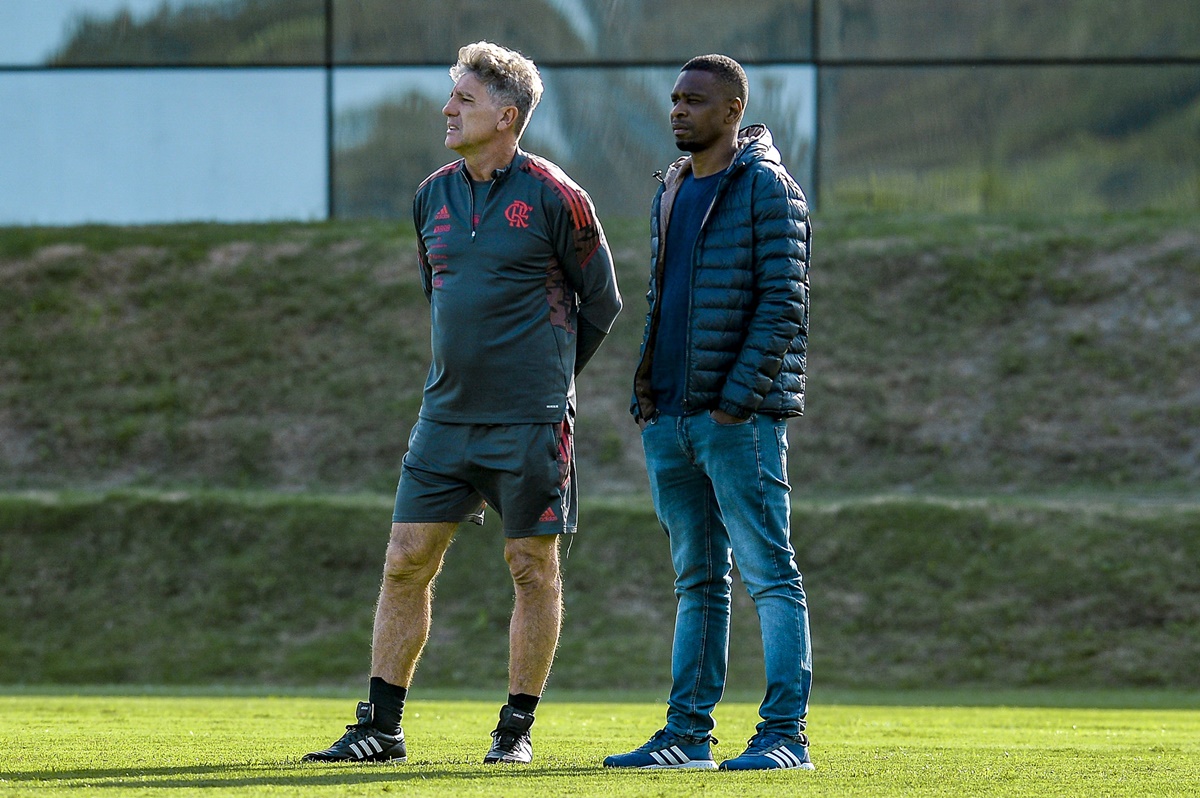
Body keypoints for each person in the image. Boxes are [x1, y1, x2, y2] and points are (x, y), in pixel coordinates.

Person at [303, 41, 621, 766]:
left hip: (532, 424)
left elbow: (602, 302)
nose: (447, 110)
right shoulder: (430, 195)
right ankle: (381, 728)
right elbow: (437, 292)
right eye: (451, 97)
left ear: (506, 115)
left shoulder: (556, 196)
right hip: (442, 420)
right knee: (405, 560)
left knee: (531, 567)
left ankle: (515, 733)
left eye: (465, 99)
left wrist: (550, 385)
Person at [604, 54, 814, 772]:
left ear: (732, 110)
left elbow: (783, 304)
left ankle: (786, 736)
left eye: (693, 100)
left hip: (736, 423)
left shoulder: (767, 187)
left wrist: (734, 404)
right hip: (670, 420)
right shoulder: (670, 188)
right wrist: (649, 398)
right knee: (698, 580)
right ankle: (687, 737)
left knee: (770, 574)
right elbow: (665, 301)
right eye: (673, 99)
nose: (677, 110)